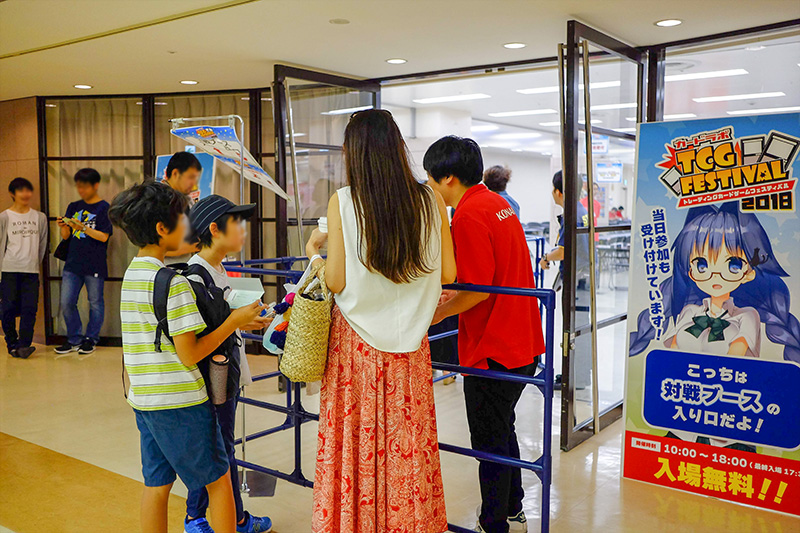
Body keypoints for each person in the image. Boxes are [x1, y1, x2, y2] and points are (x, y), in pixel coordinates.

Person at [305, 109, 456, 533]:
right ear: (397, 147)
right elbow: (448, 274)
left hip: (356, 348)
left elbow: (335, 280)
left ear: (354, 153)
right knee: (407, 442)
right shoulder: (430, 198)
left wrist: (314, 253)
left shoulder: (344, 201)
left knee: (356, 443)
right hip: (410, 346)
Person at [109, 182, 266, 533]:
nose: (187, 225)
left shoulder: (133, 275)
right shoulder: (173, 282)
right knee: (219, 481)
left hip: (145, 400)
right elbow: (190, 352)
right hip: (180, 401)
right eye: (182, 218)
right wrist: (234, 321)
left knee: (157, 485)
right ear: (163, 229)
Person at [426, 136, 545, 533]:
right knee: (502, 428)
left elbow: (477, 291)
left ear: (446, 177)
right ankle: (513, 510)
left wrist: (435, 312)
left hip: (494, 345)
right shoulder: (498, 204)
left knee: (489, 442)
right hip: (523, 339)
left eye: (430, 178)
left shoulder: (470, 214)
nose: (428, 186)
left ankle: (493, 522)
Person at [184, 194, 273, 533]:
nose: (243, 230)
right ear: (214, 229)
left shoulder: (218, 270)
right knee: (217, 448)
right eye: (236, 223)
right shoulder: (196, 276)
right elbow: (202, 332)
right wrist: (237, 320)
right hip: (212, 378)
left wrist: (250, 320)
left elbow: (229, 318)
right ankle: (202, 519)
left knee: (218, 446)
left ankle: (224, 517)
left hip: (226, 373)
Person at [539, 171, 591, 390]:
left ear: (558, 192)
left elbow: (562, 251)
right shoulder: (582, 211)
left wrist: (545, 257)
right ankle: (576, 375)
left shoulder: (571, 215)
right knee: (580, 328)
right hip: (584, 277)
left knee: (572, 328)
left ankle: (574, 378)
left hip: (576, 279)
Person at [54, 168, 112, 355]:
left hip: (94, 263)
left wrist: (83, 228)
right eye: (79, 187)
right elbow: (66, 237)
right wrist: (63, 227)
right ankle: (73, 339)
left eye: (85, 187)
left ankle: (91, 339)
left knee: (95, 302)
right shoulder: (73, 206)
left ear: (95, 186)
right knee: (67, 302)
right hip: (72, 262)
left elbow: (104, 237)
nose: (81, 191)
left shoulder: (104, 208)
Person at [0, 178, 48, 359]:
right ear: (12, 193)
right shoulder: (4, 217)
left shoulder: (40, 217)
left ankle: (24, 345)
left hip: (31, 270)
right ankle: (11, 343)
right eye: (21, 190)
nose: (26, 194)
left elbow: (42, 243)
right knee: (8, 308)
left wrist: (35, 263)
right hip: (9, 268)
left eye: (28, 190)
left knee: (30, 308)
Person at [163, 151, 203, 264]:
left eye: (196, 178)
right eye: (190, 177)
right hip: (166, 270)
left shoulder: (186, 200)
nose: (194, 183)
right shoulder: (159, 200)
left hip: (185, 266)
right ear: (175, 173)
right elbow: (153, 246)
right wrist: (195, 247)